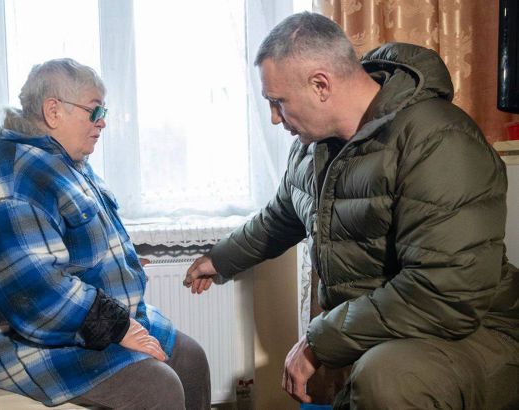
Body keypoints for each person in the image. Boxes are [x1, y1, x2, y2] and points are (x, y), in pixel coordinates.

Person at [184, 12, 519, 409]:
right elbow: (280, 217)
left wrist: (318, 340)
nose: (274, 118)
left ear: (320, 85)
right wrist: (220, 259)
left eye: (278, 102)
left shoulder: (438, 140)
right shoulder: (312, 149)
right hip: (396, 329)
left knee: (387, 379)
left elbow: (445, 292)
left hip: (475, 330)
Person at [0, 58, 210, 410]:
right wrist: (118, 327)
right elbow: (39, 298)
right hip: (32, 346)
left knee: (191, 359)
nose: (103, 121)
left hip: (87, 326)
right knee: (158, 387)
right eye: (95, 110)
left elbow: (76, 244)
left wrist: (123, 264)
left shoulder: (62, 161)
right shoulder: (12, 188)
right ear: (53, 111)